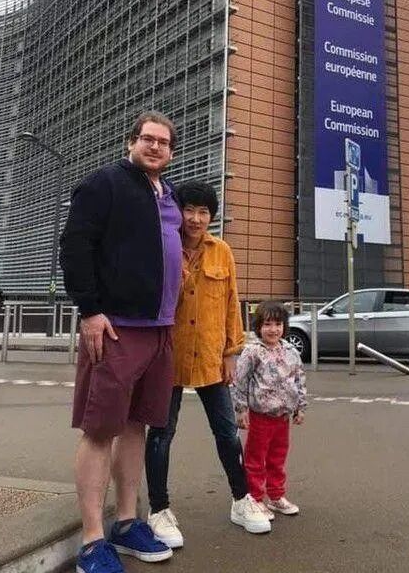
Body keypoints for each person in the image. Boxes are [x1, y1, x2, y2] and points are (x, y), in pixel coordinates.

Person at [60, 111, 182, 573]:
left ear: (171, 152)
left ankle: (127, 522)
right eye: (147, 139)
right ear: (131, 142)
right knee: (100, 430)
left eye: (163, 142)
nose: (155, 147)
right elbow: (75, 246)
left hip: (160, 329)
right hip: (116, 327)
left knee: (136, 426)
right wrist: (90, 310)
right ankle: (93, 541)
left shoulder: (168, 194)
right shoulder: (105, 183)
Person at [145, 180, 271, 548]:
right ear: (178, 212)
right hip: (169, 355)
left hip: (212, 356)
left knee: (227, 432)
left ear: (211, 217)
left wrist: (232, 352)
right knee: (161, 434)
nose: (196, 219)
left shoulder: (222, 251)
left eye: (204, 212)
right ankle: (158, 509)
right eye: (189, 210)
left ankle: (241, 500)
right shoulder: (163, 247)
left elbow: (232, 303)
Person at [233, 301, 307, 517]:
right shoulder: (252, 352)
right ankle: (255, 498)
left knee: (277, 457)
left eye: (278, 324)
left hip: (283, 416)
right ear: (258, 327)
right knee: (255, 458)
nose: (273, 329)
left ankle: (276, 495)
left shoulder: (291, 351)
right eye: (267, 324)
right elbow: (240, 381)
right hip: (260, 416)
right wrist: (241, 409)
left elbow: (299, 378)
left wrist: (300, 406)